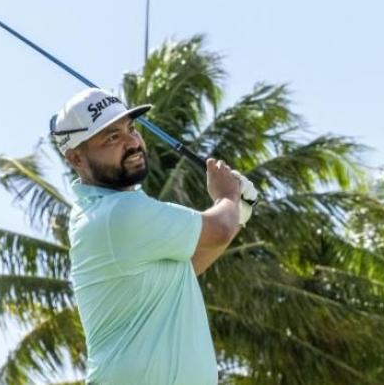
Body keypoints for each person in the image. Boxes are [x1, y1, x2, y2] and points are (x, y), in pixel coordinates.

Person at [50, 88, 256, 385]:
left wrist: (238, 212)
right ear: (76, 158)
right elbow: (219, 228)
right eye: (112, 137)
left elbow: (183, 270)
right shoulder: (119, 214)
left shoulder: (115, 211)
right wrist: (228, 196)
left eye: (131, 129)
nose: (132, 142)